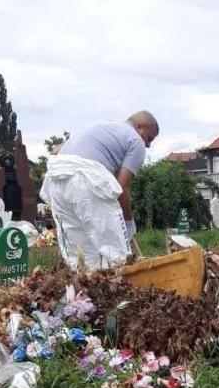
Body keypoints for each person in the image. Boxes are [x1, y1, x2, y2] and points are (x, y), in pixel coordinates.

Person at [40, 111, 159, 271]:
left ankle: (85, 294)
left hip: (56, 181)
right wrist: (128, 222)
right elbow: (121, 188)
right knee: (117, 256)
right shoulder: (135, 140)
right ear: (139, 126)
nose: (148, 145)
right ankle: (122, 294)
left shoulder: (103, 127)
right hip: (86, 179)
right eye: (149, 138)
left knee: (81, 257)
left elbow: (56, 150)